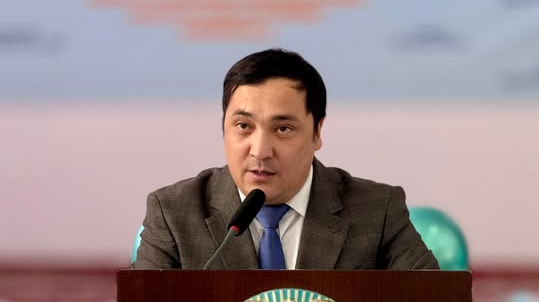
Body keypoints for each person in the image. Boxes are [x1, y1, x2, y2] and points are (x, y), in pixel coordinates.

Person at [133, 48, 438, 271]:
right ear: (223, 127)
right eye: (243, 126)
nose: (260, 151)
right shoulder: (175, 212)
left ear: (317, 132)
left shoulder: (376, 210)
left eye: (282, 129)